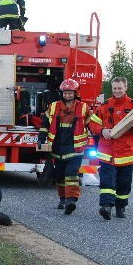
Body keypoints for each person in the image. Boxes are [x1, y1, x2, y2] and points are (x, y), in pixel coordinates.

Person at [37, 79, 103, 214]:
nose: (67, 95)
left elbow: (94, 125)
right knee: (60, 176)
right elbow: (45, 124)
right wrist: (41, 139)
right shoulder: (53, 106)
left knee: (71, 174)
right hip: (57, 148)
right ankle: (62, 198)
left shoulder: (83, 107)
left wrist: (99, 140)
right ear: (62, 93)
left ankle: (71, 200)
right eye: (65, 93)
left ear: (75, 93)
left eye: (70, 93)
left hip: (75, 149)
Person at [95, 77, 133, 220]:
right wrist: (102, 131)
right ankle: (106, 207)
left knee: (124, 184)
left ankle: (121, 207)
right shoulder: (105, 106)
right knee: (107, 182)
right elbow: (93, 123)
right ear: (111, 89)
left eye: (120, 88)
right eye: (114, 88)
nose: (117, 91)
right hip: (107, 153)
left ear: (125, 88)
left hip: (126, 154)